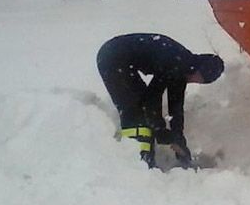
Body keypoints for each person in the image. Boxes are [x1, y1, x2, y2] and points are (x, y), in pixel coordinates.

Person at [96, 33, 224, 168]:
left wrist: (179, 140)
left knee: (141, 105)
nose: (195, 82)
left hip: (122, 62)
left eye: (201, 82)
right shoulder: (175, 62)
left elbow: (176, 108)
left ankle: (144, 161)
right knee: (136, 113)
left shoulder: (182, 67)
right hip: (112, 59)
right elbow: (152, 99)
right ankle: (136, 165)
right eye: (199, 78)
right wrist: (160, 130)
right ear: (199, 69)